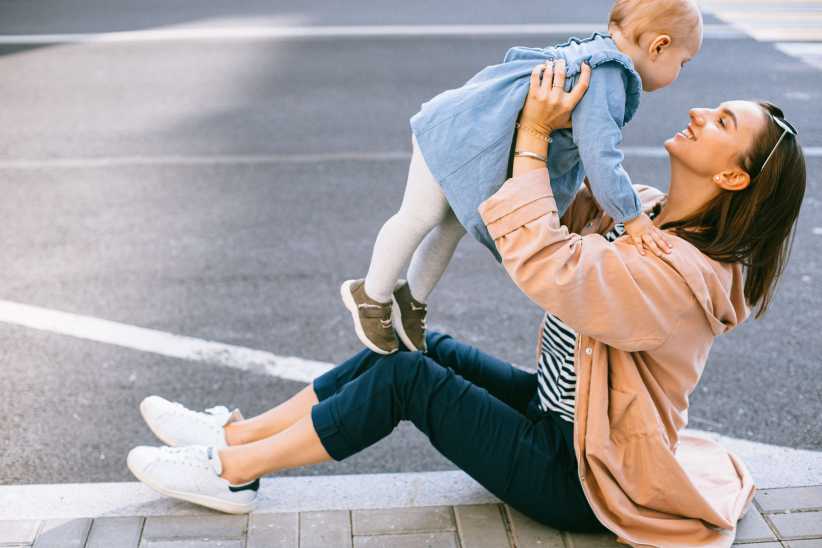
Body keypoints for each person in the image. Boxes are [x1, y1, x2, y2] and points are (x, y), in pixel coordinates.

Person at [127, 60, 806, 547]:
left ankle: (233, 475)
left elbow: (547, 261)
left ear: (732, 174)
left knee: (406, 378)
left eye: (720, 121)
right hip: (560, 421)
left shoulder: (679, 280)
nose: (697, 110)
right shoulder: (653, 217)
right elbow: (574, 231)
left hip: (579, 474)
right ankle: (232, 436)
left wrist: (535, 138)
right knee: (422, 344)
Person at [340, 0, 703, 356]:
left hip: (470, 136)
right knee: (421, 216)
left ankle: (410, 302)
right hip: (457, 137)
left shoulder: (597, 52)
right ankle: (371, 295)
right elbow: (601, 155)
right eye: (683, 64)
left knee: (449, 227)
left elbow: (588, 151)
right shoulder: (610, 76)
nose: (680, 72)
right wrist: (633, 218)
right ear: (659, 46)